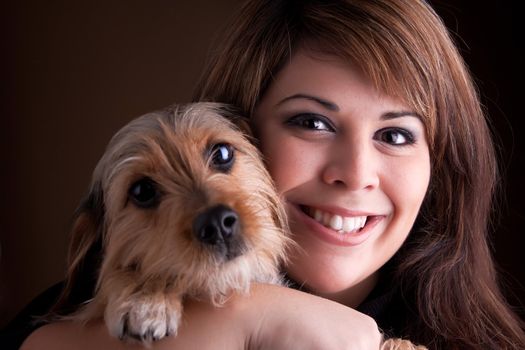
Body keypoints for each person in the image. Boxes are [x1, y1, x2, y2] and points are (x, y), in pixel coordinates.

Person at [8, 0, 525, 349]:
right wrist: (253, 318)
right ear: (250, 125)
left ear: (442, 164)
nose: (356, 174)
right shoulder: (66, 322)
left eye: (395, 135)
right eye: (312, 122)